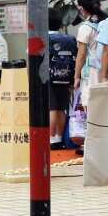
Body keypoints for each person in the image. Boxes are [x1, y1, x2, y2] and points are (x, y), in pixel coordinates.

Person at [74, 0, 108, 154]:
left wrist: (76, 76)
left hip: (91, 72)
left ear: (82, 9)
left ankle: (91, 144)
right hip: (107, 70)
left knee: (90, 106)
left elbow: (81, 55)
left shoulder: (85, 28)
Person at [47, 8, 77, 149]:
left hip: (48, 77)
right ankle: (59, 138)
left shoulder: (42, 38)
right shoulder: (69, 38)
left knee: (51, 108)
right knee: (61, 108)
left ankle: (51, 138)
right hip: (66, 76)